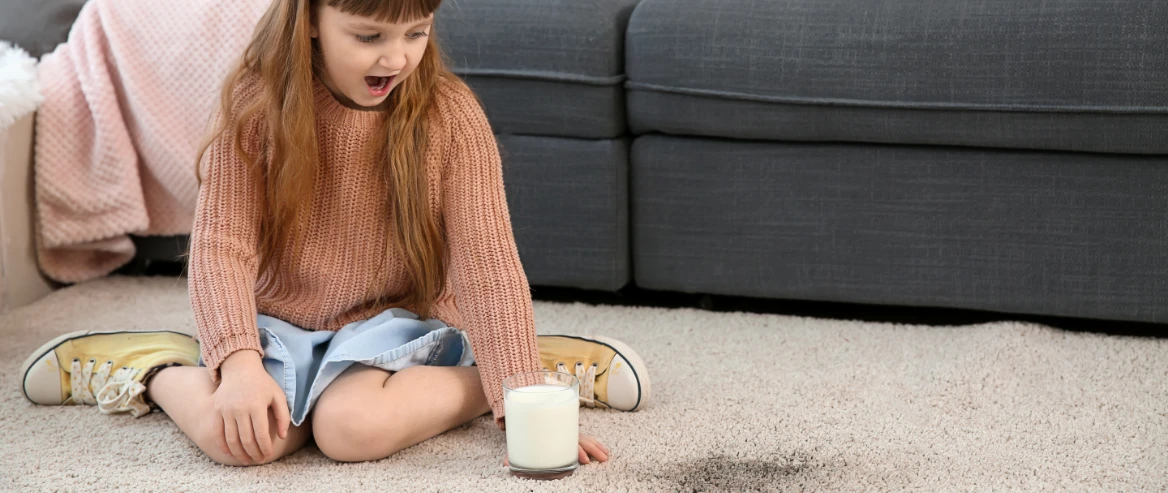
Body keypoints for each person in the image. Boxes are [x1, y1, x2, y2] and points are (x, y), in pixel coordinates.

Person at [19, 0, 650, 467]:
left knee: (350, 431)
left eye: (416, 33)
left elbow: (486, 262)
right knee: (241, 442)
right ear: (311, 19)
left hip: (398, 321)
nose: (397, 57)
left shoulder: (450, 116)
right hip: (285, 322)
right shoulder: (256, 106)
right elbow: (221, 248)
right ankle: (151, 367)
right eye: (369, 34)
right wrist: (238, 364)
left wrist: (518, 394)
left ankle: (525, 371)